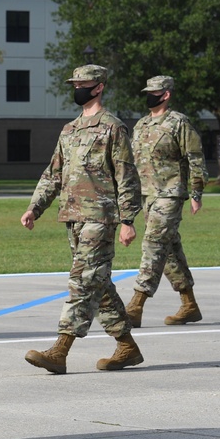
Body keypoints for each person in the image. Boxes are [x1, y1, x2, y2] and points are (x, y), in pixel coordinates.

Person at [21, 64, 143, 374]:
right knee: (98, 284)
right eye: (74, 83)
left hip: (101, 217)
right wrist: (35, 208)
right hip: (73, 217)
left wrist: (128, 219)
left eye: (83, 83)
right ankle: (127, 346)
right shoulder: (69, 130)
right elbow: (54, 173)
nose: (77, 88)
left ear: (99, 86)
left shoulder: (113, 128)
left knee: (83, 280)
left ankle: (60, 350)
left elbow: (126, 176)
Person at [125, 75, 208, 328]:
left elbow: (195, 157)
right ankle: (189, 304)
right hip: (147, 195)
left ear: (166, 94)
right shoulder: (141, 125)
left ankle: (136, 305)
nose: (149, 95)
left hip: (170, 194)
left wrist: (196, 193)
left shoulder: (178, 122)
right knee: (170, 250)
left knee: (153, 245)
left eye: (154, 91)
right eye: (147, 91)